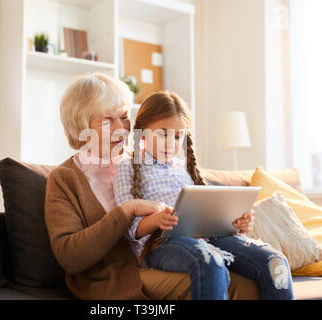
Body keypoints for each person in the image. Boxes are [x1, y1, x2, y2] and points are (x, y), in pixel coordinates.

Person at [44, 73, 260, 300]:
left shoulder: (149, 159)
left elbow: (189, 210)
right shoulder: (65, 179)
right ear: (81, 127)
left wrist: (230, 221)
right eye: (108, 121)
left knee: (254, 273)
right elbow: (69, 255)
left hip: (169, 254)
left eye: (125, 117)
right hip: (121, 276)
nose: (121, 129)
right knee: (232, 282)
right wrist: (126, 211)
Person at [113, 91, 295, 300]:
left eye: (177, 136)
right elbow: (126, 228)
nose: (171, 143)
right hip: (161, 243)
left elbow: (207, 213)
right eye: (163, 134)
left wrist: (236, 223)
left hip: (210, 237)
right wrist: (158, 220)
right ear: (142, 132)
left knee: (275, 262)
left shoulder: (184, 168)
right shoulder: (127, 166)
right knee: (210, 261)